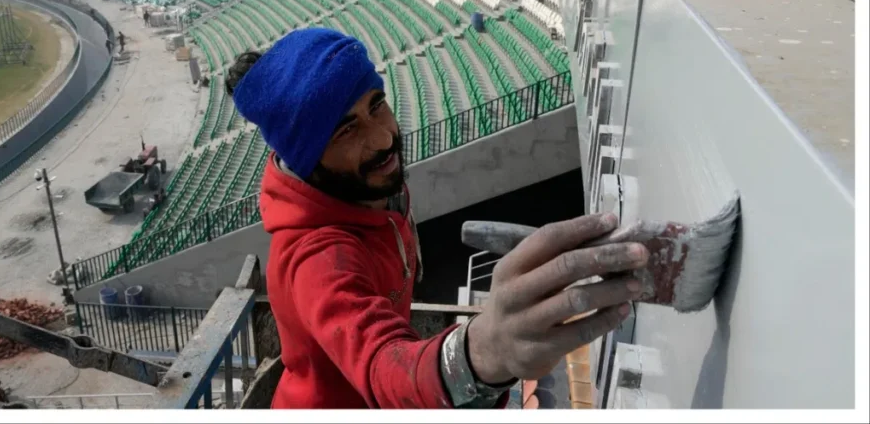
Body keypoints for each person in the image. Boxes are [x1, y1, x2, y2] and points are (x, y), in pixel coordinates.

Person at [226, 29, 649, 409]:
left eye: (377, 106)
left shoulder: (369, 192)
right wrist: (484, 352)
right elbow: (379, 363)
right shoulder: (317, 257)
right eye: (345, 131)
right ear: (307, 158)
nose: (383, 137)